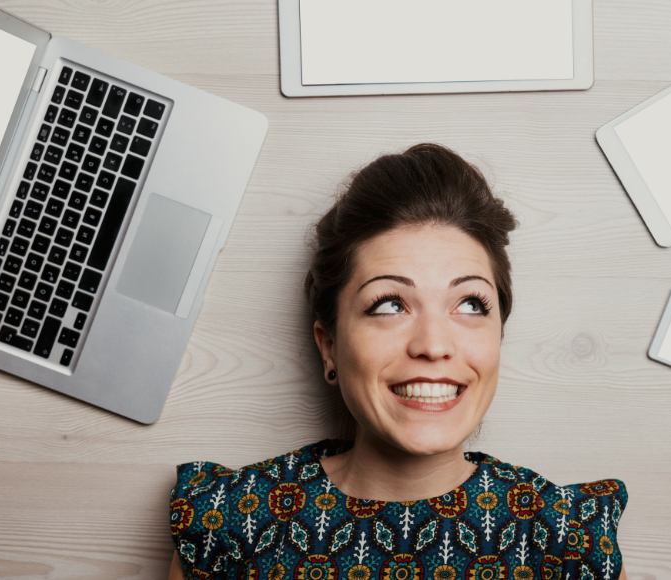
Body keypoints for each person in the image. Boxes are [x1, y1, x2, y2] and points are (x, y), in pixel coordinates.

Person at [168, 144, 628, 580]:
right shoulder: (229, 524)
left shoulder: (568, 541)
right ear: (329, 346)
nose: (433, 345)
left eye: (470, 304)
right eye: (389, 304)